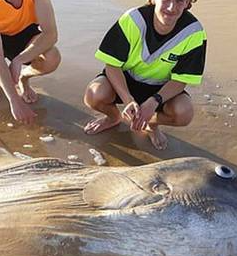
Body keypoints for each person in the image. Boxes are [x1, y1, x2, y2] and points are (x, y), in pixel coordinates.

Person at [83, 0, 206, 149]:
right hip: (125, 79)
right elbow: (112, 65)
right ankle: (113, 117)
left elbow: (180, 81)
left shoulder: (194, 33)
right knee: (94, 95)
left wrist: (154, 101)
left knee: (184, 113)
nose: (171, 7)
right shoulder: (133, 20)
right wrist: (128, 100)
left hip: (161, 88)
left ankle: (150, 124)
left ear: (187, 3)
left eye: (179, 0)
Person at [0, 0, 61, 123]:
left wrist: (19, 60)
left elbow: (51, 34)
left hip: (25, 31)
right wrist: (14, 100)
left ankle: (23, 78)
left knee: (52, 57)